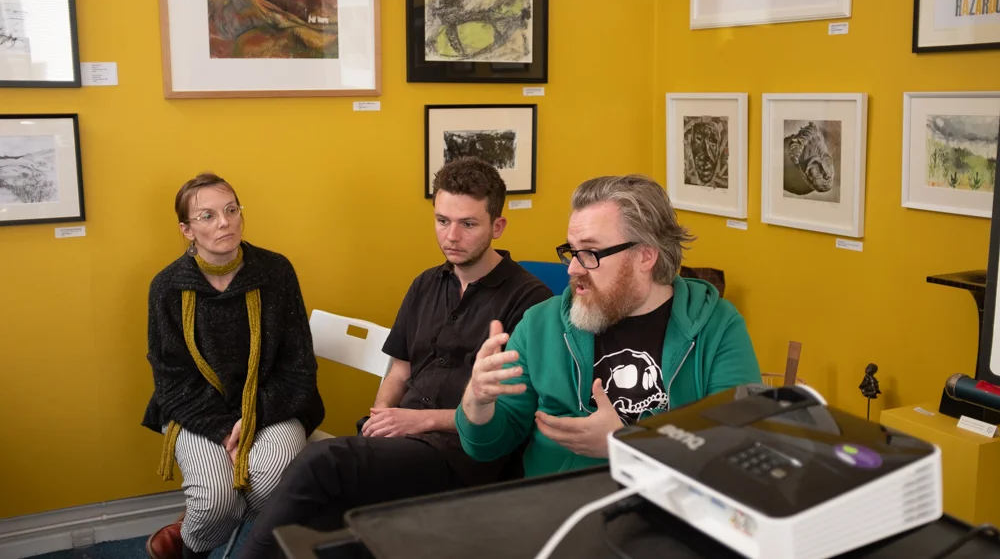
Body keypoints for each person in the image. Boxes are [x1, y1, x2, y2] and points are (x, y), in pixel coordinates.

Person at [236, 157, 552, 559]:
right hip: (404, 441)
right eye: (442, 220)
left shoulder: (530, 300)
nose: (451, 236)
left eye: (468, 224)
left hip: (463, 455)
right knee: (327, 517)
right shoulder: (425, 283)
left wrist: (417, 420)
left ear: (498, 226)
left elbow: (510, 412)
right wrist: (380, 416)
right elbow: (400, 367)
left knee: (322, 460)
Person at [457, 174, 762, 476]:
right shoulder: (540, 325)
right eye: (571, 251)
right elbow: (487, 447)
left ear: (645, 256)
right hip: (560, 505)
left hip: (676, 506)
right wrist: (477, 403)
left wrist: (630, 445)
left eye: (590, 252)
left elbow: (742, 444)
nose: (573, 268)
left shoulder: (718, 325)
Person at [142, 173, 325, 559]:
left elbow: (298, 365)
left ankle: (189, 528)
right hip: (197, 412)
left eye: (230, 210)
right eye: (207, 216)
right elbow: (171, 380)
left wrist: (253, 416)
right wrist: (226, 429)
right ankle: (196, 539)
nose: (224, 222)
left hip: (275, 405)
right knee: (215, 500)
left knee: (271, 484)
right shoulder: (167, 286)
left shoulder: (276, 272)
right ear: (186, 230)